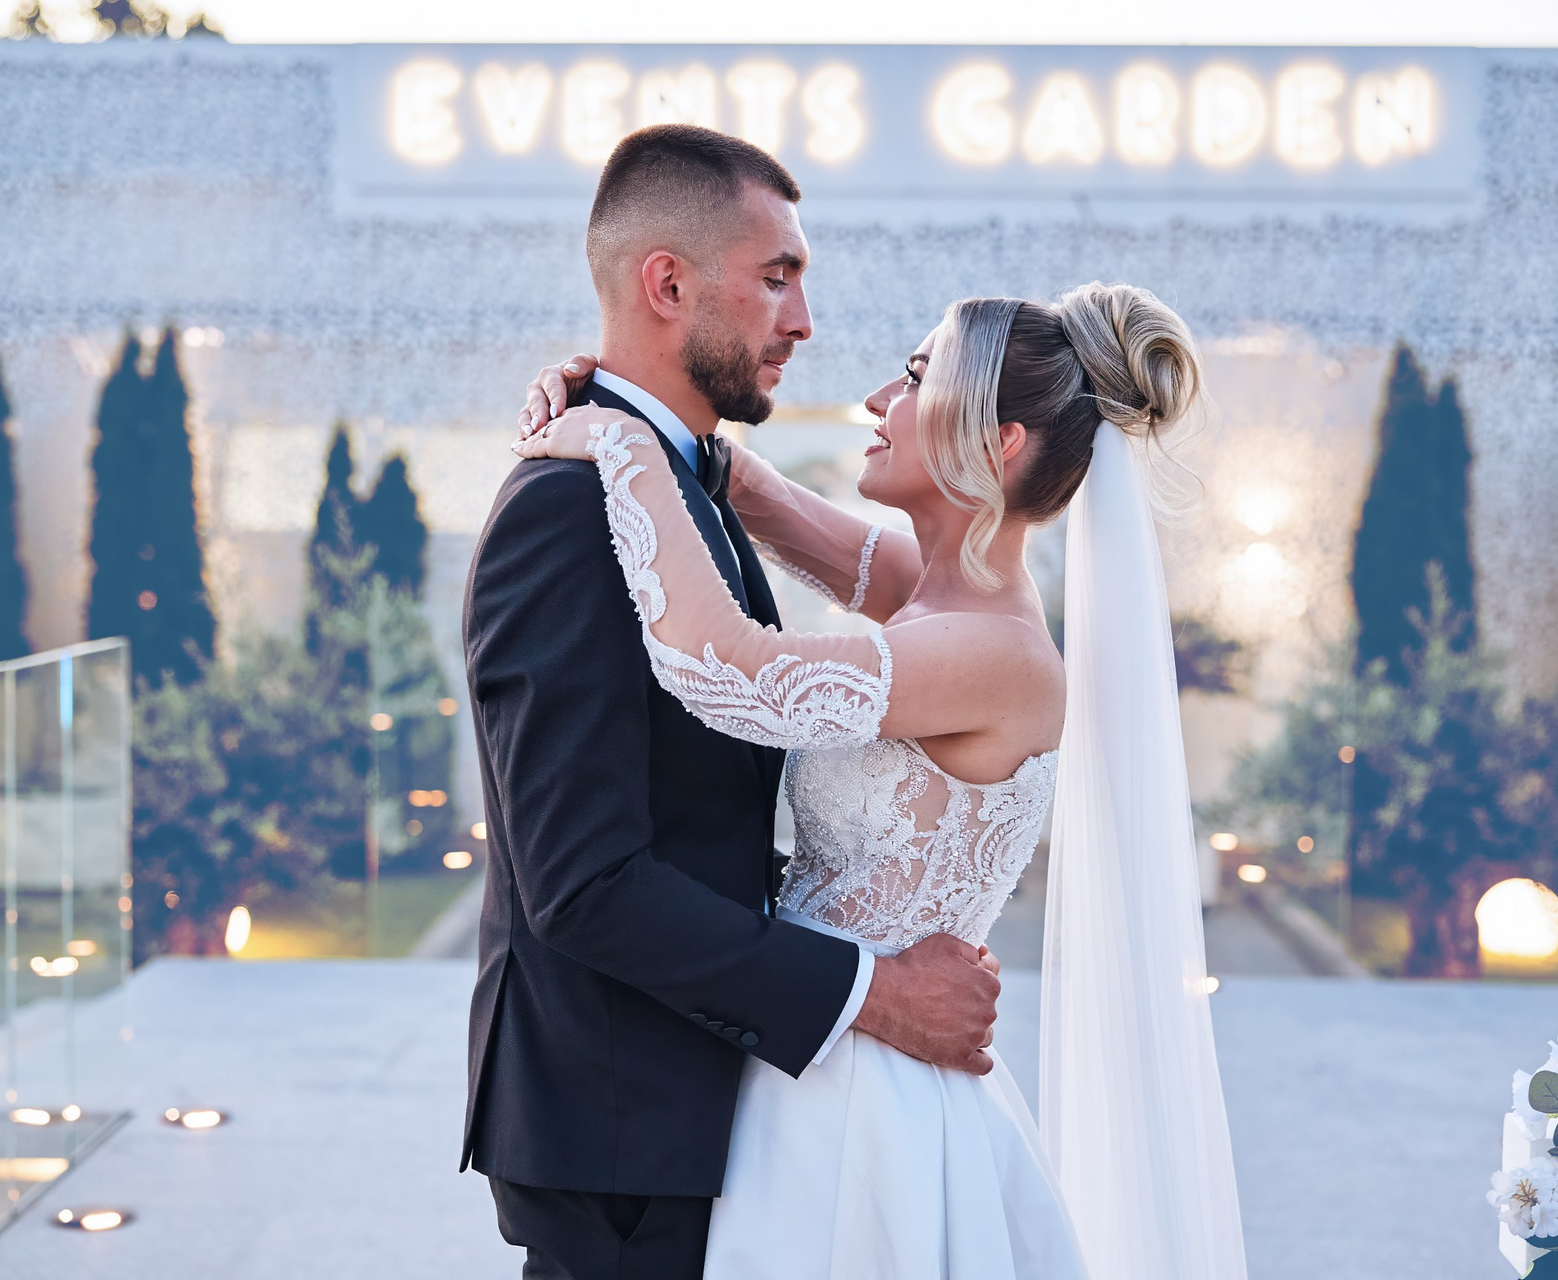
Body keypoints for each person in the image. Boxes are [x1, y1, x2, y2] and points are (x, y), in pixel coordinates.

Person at [516, 279, 1248, 1277]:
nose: (875, 399)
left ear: (998, 442)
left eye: (914, 377)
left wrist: (620, 446)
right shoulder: (934, 592)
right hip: (810, 1049)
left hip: (862, 1102)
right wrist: (622, 399)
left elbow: (731, 668)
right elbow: (759, 496)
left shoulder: (996, 652)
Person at [461, 124, 1006, 1280]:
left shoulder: (670, 486)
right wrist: (875, 992)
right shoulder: (569, 511)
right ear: (668, 284)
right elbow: (584, 881)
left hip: (701, 1106)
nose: (802, 321)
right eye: (777, 276)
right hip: (621, 1127)